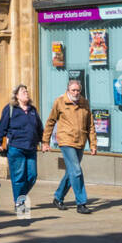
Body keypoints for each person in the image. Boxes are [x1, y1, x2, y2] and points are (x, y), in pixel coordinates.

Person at [42, 78, 95, 213]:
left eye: (78, 90)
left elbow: (90, 125)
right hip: (66, 140)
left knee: (71, 172)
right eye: (73, 90)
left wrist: (93, 144)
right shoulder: (60, 102)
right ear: (68, 90)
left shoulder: (84, 103)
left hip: (80, 141)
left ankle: (58, 197)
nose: (76, 93)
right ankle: (81, 203)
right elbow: (50, 122)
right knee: (76, 170)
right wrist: (45, 141)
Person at [0, 83, 43, 214]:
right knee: (19, 177)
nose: (26, 93)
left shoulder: (32, 110)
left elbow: (39, 128)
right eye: (22, 91)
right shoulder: (10, 109)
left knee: (32, 176)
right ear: (16, 96)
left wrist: (44, 141)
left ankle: (20, 196)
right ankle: (19, 202)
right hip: (16, 148)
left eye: (26, 91)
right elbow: (1, 126)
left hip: (31, 148)